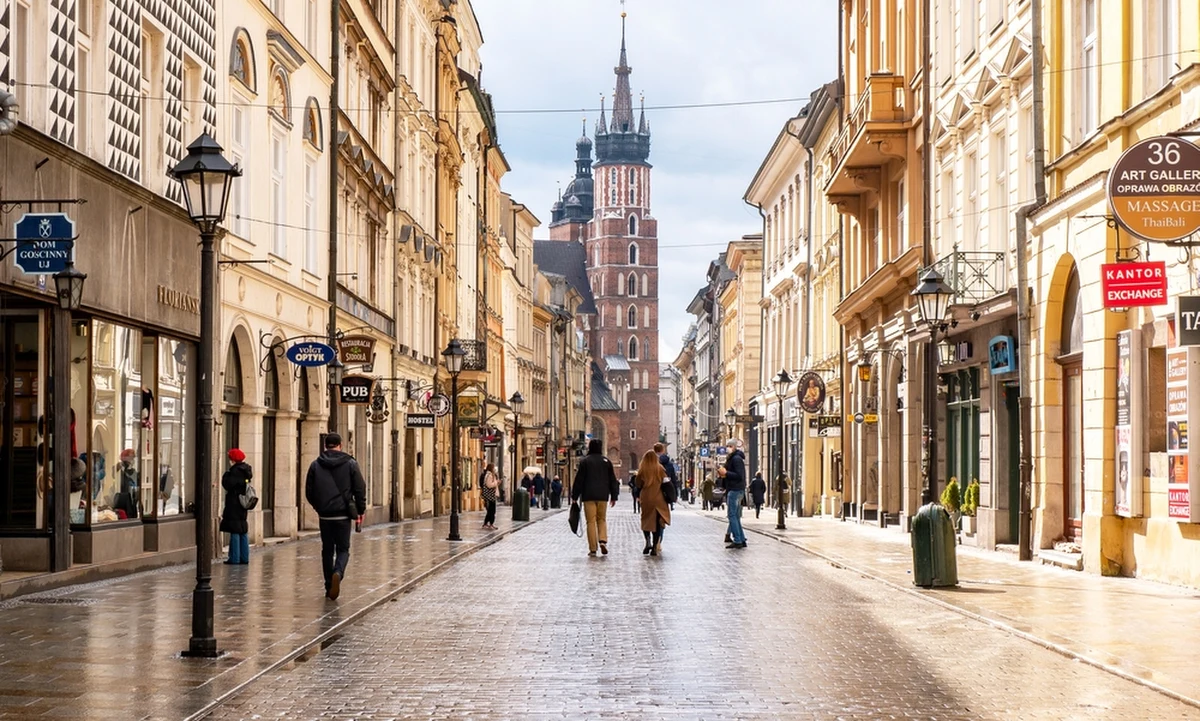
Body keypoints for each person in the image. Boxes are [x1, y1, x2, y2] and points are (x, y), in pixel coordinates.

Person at [305, 433, 367, 600]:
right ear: (340, 445)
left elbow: (309, 492)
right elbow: (360, 488)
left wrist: (319, 507)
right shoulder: (351, 464)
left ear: (326, 446)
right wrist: (360, 509)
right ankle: (338, 572)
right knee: (343, 549)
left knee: (327, 550)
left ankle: (328, 586)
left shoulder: (315, 465)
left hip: (325, 516)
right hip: (343, 515)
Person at [571, 439, 620, 557]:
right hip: (603, 495)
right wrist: (614, 496)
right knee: (601, 519)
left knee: (591, 521)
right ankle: (602, 540)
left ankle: (593, 548)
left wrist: (574, 496)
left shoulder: (585, 462)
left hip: (588, 496)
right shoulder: (606, 462)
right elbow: (613, 480)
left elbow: (579, 480)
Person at [635, 450, 672, 556]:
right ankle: (655, 545)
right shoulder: (660, 468)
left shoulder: (642, 469)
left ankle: (648, 541)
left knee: (646, 520)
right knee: (657, 523)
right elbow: (666, 481)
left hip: (646, 498)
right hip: (658, 498)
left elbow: (638, 483)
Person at [220, 448, 253, 565]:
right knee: (242, 530)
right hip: (242, 503)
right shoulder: (246, 470)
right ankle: (244, 557)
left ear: (233, 460)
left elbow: (228, 484)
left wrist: (226, 475)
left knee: (234, 530)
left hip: (234, 503)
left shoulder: (235, 471)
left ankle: (234, 558)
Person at [718, 439, 748, 549]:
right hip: (734, 489)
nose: (727, 448)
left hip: (735, 490)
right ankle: (741, 538)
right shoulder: (734, 458)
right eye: (727, 446)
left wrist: (726, 473)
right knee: (735, 516)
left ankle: (738, 540)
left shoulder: (736, 459)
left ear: (734, 447)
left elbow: (739, 475)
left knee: (732, 515)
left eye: (729, 446)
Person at [654, 442, 679, 510]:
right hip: (667, 489)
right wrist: (675, 495)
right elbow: (674, 480)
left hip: (654, 490)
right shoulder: (669, 464)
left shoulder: (652, 461)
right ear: (663, 450)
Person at [480, 462, 499, 530]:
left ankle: (488, 523)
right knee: (492, 510)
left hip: (490, 495)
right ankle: (489, 524)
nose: (494, 469)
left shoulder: (490, 475)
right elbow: (489, 485)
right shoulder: (489, 475)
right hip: (490, 496)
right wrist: (496, 482)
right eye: (493, 468)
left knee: (491, 510)